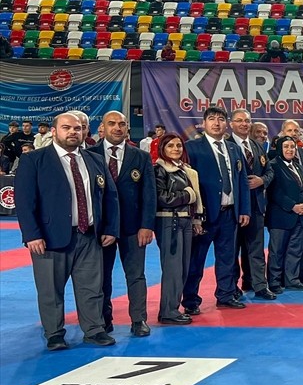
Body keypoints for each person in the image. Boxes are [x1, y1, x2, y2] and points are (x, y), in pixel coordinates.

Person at [16, 112, 119, 350]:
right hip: (50, 238)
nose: (73, 132)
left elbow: (110, 197)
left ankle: (94, 330)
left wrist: (111, 228)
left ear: (84, 132)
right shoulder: (35, 160)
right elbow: (24, 201)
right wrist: (31, 235)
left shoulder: (94, 160)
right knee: (50, 290)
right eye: (66, 128)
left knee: (92, 288)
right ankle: (54, 334)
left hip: (89, 235)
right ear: (54, 131)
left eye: (77, 128)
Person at [88, 111, 155, 336]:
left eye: (122, 124)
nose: (117, 128)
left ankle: (139, 320)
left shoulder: (141, 157)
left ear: (127, 128)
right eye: (112, 124)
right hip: (101, 228)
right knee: (101, 276)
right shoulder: (89, 154)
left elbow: (149, 194)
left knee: (136, 275)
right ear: (102, 128)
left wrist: (147, 225)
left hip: (133, 227)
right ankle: (104, 320)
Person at [182, 107, 250, 313]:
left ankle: (226, 295)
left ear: (226, 124)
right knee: (196, 260)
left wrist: (244, 208)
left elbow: (241, 181)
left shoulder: (233, 149)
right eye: (211, 119)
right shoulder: (192, 148)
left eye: (221, 119)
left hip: (229, 212)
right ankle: (191, 301)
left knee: (227, 258)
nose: (216, 123)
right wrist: (193, 215)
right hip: (204, 215)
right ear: (204, 123)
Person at [153, 133, 203, 324]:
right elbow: (162, 198)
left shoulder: (185, 170)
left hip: (185, 221)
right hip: (168, 222)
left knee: (183, 268)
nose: (176, 149)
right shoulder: (159, 169)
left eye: (179, 146)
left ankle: (173, 307)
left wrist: (197, 218)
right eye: (171, 146)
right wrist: (187, 195)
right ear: (163, 149)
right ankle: (168, 311)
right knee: (173, 268)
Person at [229, 110, 275, 300]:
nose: (244, 124)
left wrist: (262, 180)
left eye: (247, 121)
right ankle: (231, 287)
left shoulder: (257, 146)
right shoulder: (226, 146)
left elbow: (270, 171)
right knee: (232, 250)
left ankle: (258, 284)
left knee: (256, 247)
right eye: (239, 120)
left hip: (256, 205)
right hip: (234, 207)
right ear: (231, 124)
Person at [266, 137, 303, 292]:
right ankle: (274, 282)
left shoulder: (298, 166)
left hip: (300, 215)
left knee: (295, 249)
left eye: (292, 147)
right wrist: (293, 206)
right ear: (279, 148)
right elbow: (274, 192)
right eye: (286, 147)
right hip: (281, 216)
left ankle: (291, 280)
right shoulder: (273, 166)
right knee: (277, 251)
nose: (289, 150)